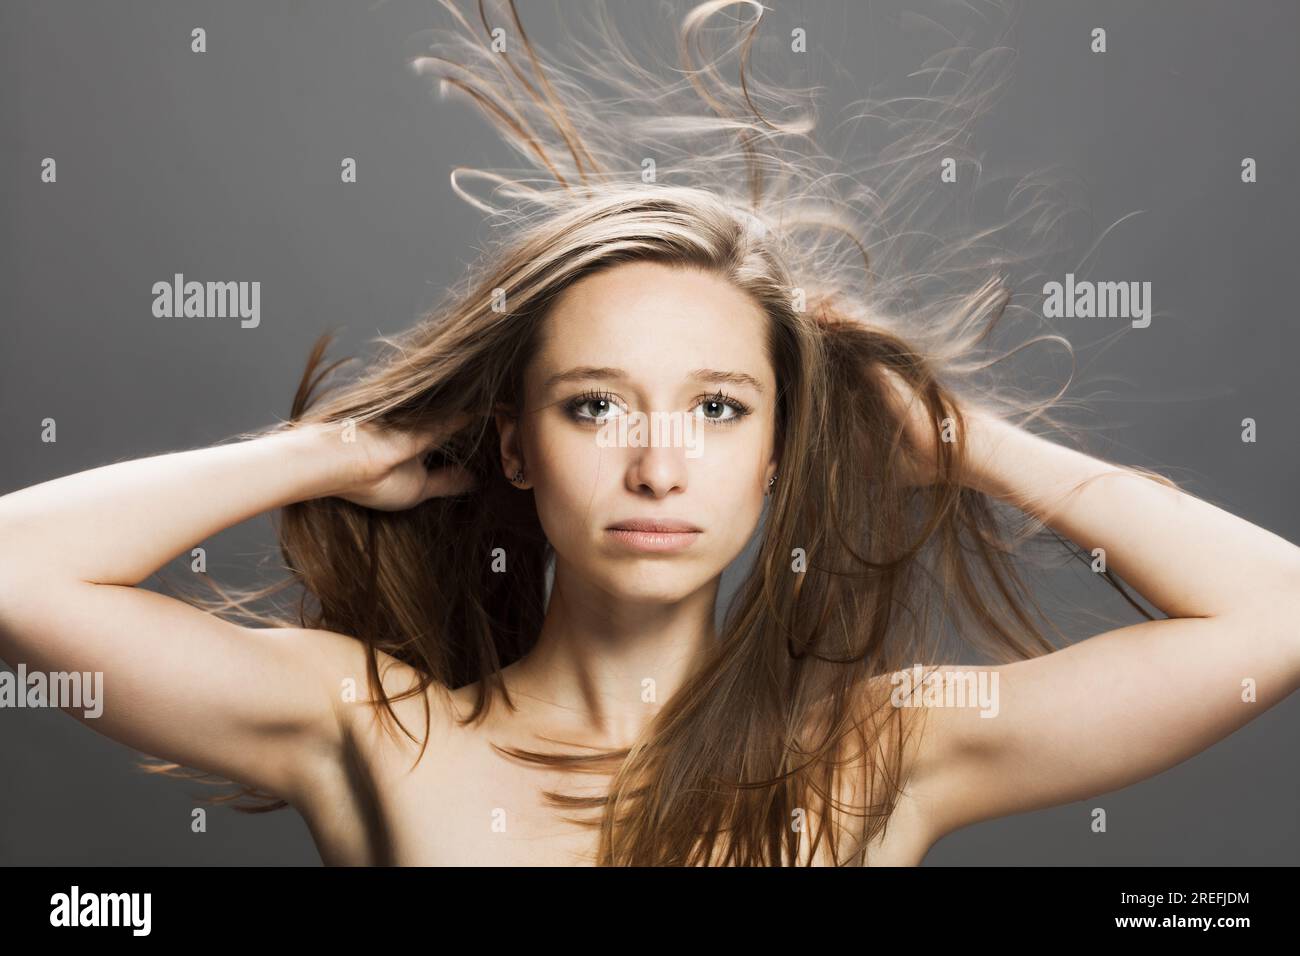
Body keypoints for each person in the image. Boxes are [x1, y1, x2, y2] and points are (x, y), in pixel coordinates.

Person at [1, 0, 1297, 866]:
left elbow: (1276, 619)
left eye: (721, 408)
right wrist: (337, 452)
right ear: (516, 447)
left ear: (779, 458)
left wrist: (961, 442)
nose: (659, 461)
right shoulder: (367, 722)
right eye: (595, 405)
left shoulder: (885, 750)